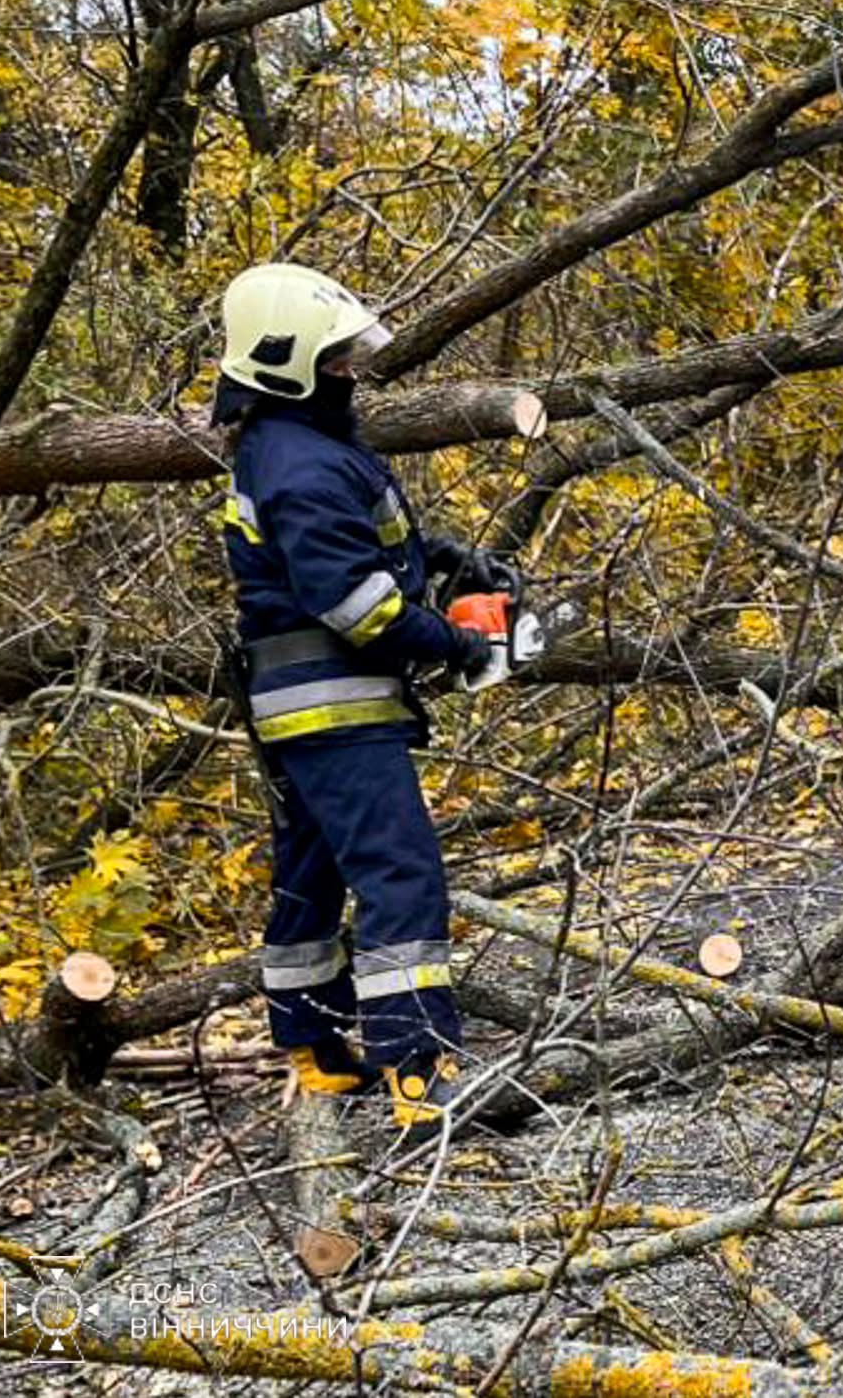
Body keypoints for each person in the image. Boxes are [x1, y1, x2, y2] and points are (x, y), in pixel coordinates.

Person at [213, 262, 510, 1138]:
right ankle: (416, 1069)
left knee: (308, 878)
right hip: (335, 706)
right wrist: (456, 644)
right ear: (287, 365)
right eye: (335, 360)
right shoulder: (301, 461)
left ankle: (311, 1045)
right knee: (399, 872)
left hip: (299, 708)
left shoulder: (294, 447)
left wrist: (450, 559)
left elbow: (365, 545)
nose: (351, 372)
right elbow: (357, 603)